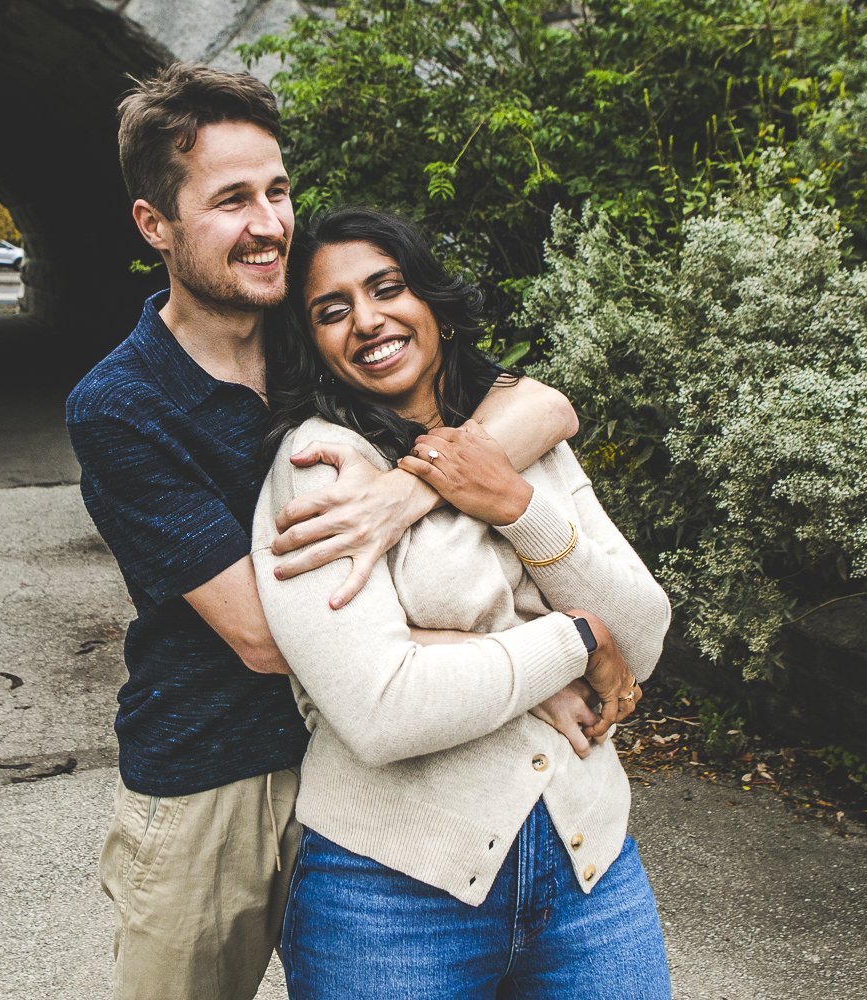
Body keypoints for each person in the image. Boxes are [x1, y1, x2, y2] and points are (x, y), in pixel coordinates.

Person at [64, 64, 580, 1000]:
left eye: (277, 190)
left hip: (366, 771)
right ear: (156, 226)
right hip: (216, 784)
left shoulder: (318, 329)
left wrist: (404, 495)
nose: (269, 223)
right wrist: (530, 658)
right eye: (230, 201)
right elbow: (264, 637)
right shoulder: (123, 405)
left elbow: (536, 405)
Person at [251, 206, 675, 998]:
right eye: (332, 310)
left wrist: (518, 505)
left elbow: (644, 638)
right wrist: (570, 641)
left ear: (434, 305)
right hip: (391, 899)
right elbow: (381, 709)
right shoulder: (321, 468)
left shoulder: (526, 443)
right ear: (310, 343)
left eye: (388, 288)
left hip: (590, 875)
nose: (368, 320)